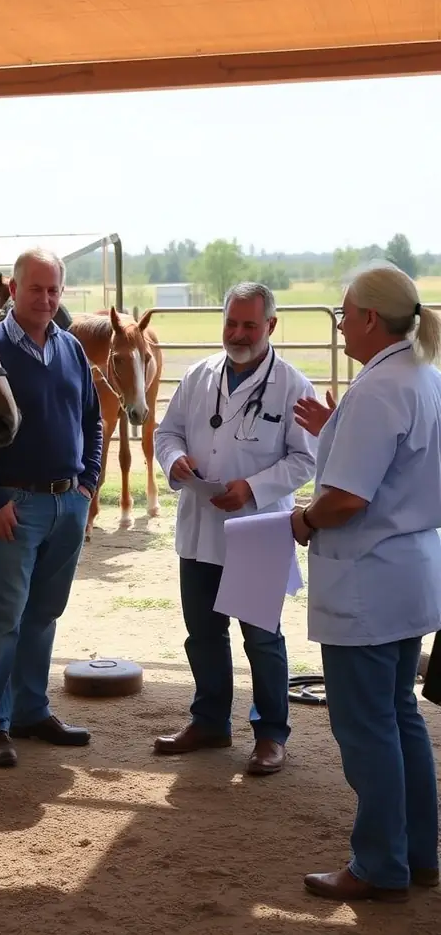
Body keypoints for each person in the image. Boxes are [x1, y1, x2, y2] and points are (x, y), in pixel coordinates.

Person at [291, 263, 441, 902]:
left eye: (345, 313)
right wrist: (335, 436)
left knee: (367, 726)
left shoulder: (379, 389)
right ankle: (416, 851)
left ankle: (380, 863)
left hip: (367, 580)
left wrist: (303, 519)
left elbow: (348, 499)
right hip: (407, 574)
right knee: (399, 716)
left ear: (370, 319)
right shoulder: (421, 376)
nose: (341, 324)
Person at [152, 282, 317, 775]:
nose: (238, 333)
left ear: (271, 326)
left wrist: (254, 488)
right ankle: (209, 722)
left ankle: (270, 735)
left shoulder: (292, 385)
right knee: (202, 633)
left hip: (258, 528)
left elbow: (304, 459)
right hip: (201, 526)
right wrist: (175, 459)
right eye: (231, 322)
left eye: (249, 324)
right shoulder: (199, 375)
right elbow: (167, 431)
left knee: (262, 637)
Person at [0, 247, 102, 768]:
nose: (45, 298)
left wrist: (88, 483)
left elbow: (93, 420)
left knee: (44, 613)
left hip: (68, 502)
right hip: (14, 503)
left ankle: (31, 711)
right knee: (3, 615)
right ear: (12, 290)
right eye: (35, 288)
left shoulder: (71, 349)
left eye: (53, 289)